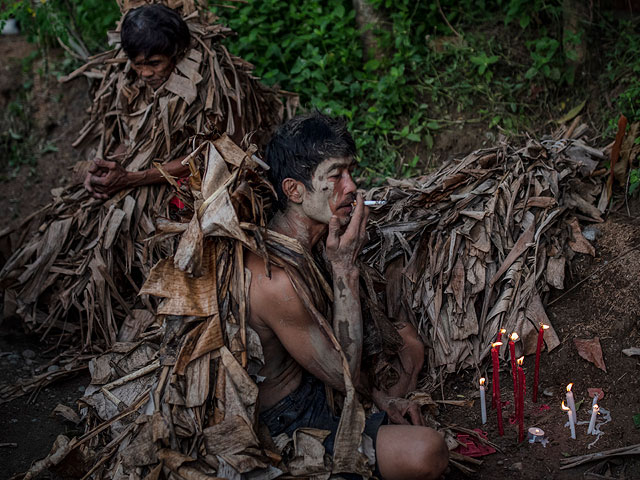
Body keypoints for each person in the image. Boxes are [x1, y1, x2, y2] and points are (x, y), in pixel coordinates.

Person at [245, 112, 449, 480]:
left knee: (410, 346)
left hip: (319, 384)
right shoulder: (275, 279)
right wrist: (344, 268)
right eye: (336, 176)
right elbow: (344, 375)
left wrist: (382, 399)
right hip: (290, 423)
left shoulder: (310, 237)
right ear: (294, 190)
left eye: (351, 172)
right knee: (428, 451)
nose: (352, 187)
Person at [83, 4, 192, 200]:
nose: (145, 73)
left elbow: (206, 155)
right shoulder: (131, 86)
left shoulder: (203, 89)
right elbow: (131, 139)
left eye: (155, 63)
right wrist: (105, 171)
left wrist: (132, 178)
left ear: (177, 53)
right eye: (138, 64)